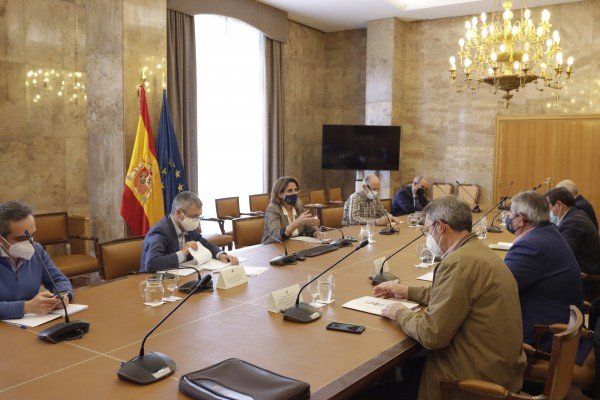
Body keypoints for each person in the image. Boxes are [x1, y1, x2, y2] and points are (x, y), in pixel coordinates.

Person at [374, 195, 526, 400]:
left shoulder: (459, 263)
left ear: (440, 227)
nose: (427, 236)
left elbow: (431, 334)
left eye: (427, 230)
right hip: (499, 366)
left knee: (378, 393)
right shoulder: (479, 252)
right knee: (411, 367)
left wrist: (399, 312)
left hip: (472, 383)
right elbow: (450, 295)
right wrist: (405, 291)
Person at [504, 191, 583, 350]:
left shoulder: (531, 245)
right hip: (559, 321)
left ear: (521, 219)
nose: (508, 219)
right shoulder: (549, 232)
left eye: (511, 214)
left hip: (543, 336)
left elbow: (497, 286)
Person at [0, 201, 73, 320]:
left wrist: (63, 295)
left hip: (31, 324)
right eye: (21, 238)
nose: (29, 243)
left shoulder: (37, 250)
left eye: (32, 236)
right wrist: (25, 307)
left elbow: (58, 279)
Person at [140, 191, 238, 272]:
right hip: (155, 282)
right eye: (194, 216)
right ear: (178, 213)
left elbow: (202, 243)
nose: (197, 221)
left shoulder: (187, 226)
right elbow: (152, 263)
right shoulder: (160, 232)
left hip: (182, 275)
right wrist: (182, 253)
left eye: (199, 216)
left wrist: (220, 254)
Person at [546, 187, 600, 299]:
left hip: (586, 283)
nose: (549, 212)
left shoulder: (572, 222)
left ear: (559, 205)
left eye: (549, 207)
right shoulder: (577, 214)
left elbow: (562, 258)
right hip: (584, 277)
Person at [262, 176, 323, 244]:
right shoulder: (272, 209)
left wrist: (315, 233)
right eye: (290, 190)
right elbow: (277, 236)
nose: (294, 193)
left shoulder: (299, 207)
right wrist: (296, 223)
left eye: (296, 190)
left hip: (294, 245)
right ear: (280, 194)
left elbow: (308, 228)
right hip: (273, 247)